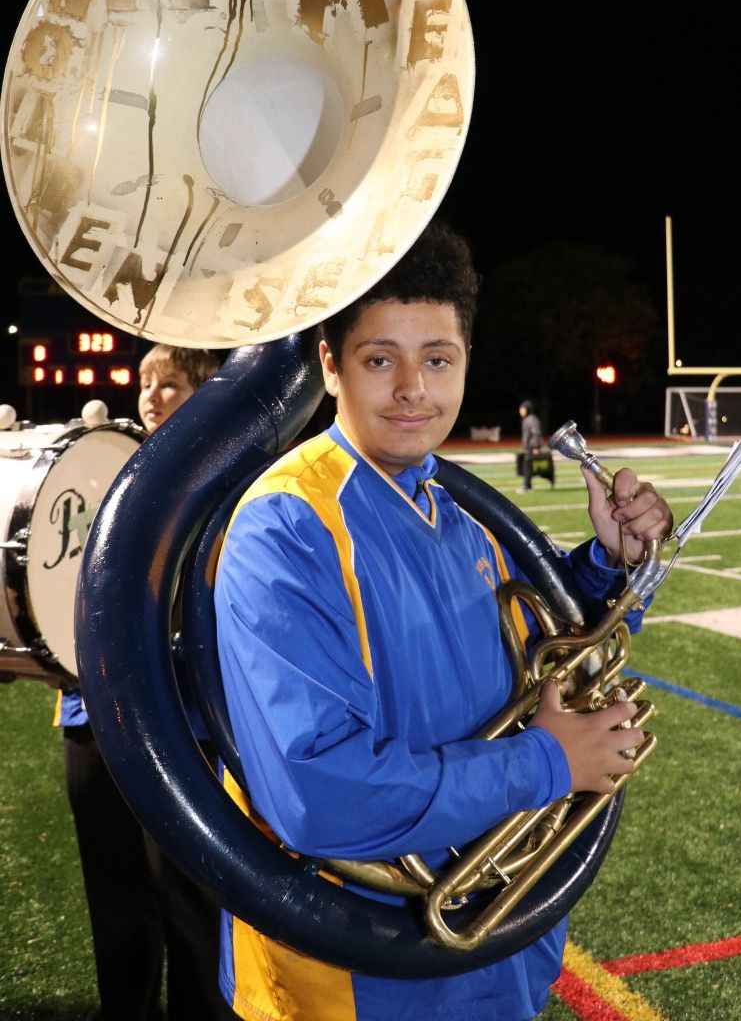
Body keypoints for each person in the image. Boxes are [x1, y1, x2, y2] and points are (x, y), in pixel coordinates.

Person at [213, 220, 674, 1021]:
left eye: (437, 359)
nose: (412, 390)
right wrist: (547, 766)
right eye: (379, 359)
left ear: (465, 363)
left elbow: (525, 646)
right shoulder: (284, 523)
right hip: (356, 973)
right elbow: (318, 793)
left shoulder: (459, 506)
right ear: (329, 365)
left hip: (496, 944)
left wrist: (607, 565)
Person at [54, 344, 233, 1021]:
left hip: (178, 726)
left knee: (190, 906)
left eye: (171, 384)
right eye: (144, 384)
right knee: (115, 902)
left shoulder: (226, 483)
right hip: (91, 717)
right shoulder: (101, 474)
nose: (152, 397)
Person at [518, 398, 550, 491]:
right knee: (526, 466)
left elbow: (536, 433)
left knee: (527, 466)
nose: (520, 411)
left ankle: (527, 486)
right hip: (529, 447)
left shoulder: (532, 419)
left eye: (522, 409)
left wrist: (536, 447)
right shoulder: (527, 419)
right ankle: (528, 485)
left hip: (532, 447)